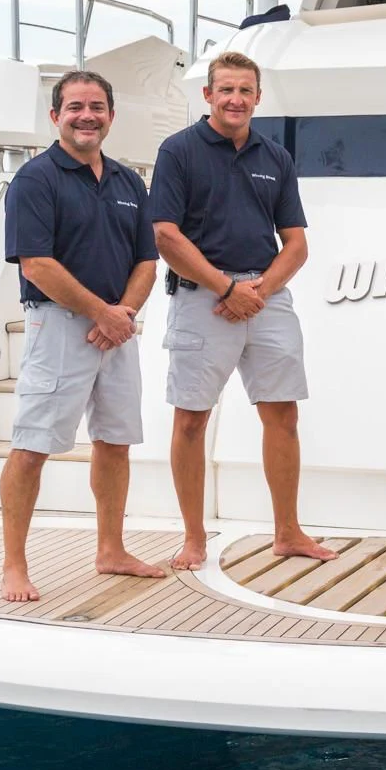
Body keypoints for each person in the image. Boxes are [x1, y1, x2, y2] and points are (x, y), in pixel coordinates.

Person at [151, 51, 337, 569]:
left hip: (266, 296)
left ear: (258, 97)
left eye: (245, 91)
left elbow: (296, 243)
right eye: (225, 90)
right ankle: (193, 537)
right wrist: (224, 289)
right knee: (191, 420)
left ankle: (288, 532)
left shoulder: (274, 157)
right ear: (208, 96)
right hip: (200, 300)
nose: (236, 99)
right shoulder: (178, 152)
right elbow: (166, 235)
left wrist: (259, 290)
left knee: (283, 414)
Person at [0, 70, 165, 602]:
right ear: (55, 117)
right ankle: (13, 566)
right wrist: (104, 313)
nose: (86, 115)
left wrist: (125, 312)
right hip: (60, 325)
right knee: (31, 447)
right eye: (74, 107)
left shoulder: (126, 183)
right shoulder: (35, 180)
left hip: (118, 328)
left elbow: (147, 260)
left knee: (115, 443)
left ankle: (111, 550)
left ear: (111, 117)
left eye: (97, 106)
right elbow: (37, 264)